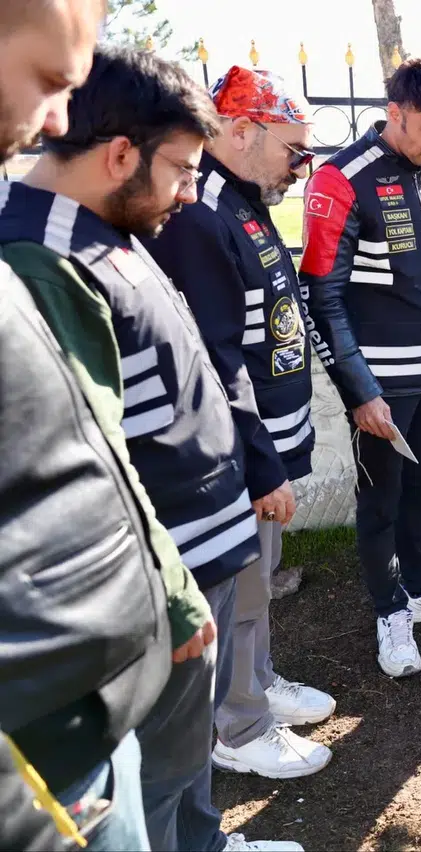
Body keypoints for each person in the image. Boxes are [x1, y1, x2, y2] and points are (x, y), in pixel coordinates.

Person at [0, 19, 214, 852]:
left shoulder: (105, 235)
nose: (58, 121)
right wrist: (171, 590)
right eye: (51, 79)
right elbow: (106, 447)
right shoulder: (44, 256)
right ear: (124, 156)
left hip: (96, 697)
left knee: (173, 777)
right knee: (159, 784)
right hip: (58, 745)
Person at [145, 66, 334, 793]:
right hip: (242, 457)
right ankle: (241, 728)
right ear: (244, 132)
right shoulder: (203, 219)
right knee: (239, 589)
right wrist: (261, 465)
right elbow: (215, 365)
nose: (304, 166)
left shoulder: (245, 204)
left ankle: (256, 685)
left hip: (268, 446)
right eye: (296, 148)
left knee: (256, 587)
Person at [301, 55, 421, 679]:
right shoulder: (339, 179)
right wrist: (360, 392)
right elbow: (321, 297)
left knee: (419, 485)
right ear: (395, 113)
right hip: (381, 387)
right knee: (380, 500)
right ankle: (390, 611)